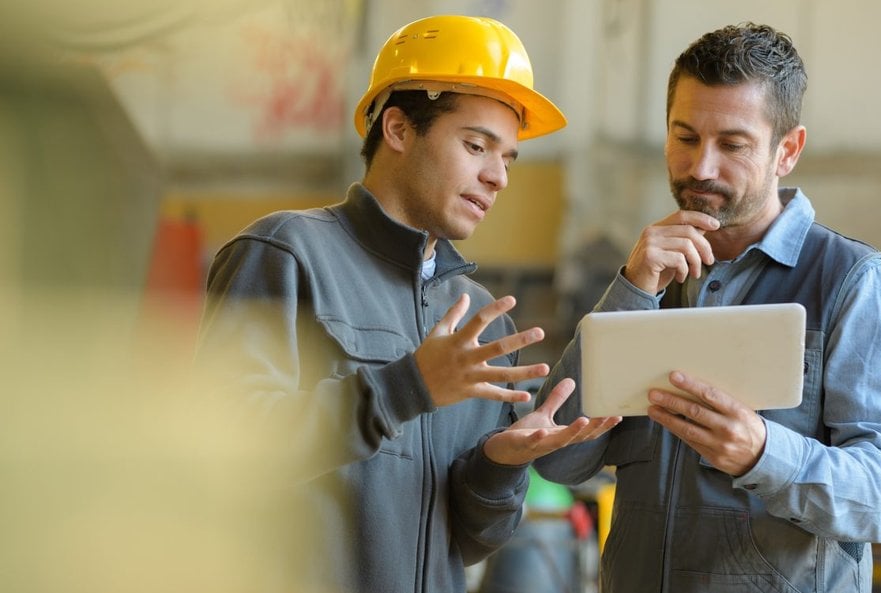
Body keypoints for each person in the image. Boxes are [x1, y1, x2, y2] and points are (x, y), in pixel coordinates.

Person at [193, 14, 620, 593]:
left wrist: (500, 465)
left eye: (509, 159)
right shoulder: (286, 254)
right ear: (397, 128)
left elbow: (472, 542)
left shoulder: (476, 312)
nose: (497, 177)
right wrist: (406, 387)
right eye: (476, 146)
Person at [534, 22, 881, 593]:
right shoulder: (647, 279)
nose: (702, 168)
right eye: (685, 137)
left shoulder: (854, 282)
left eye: (733, 144)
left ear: (787, 150)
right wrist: (633, 291)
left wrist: (763, 454)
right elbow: (558, 460)